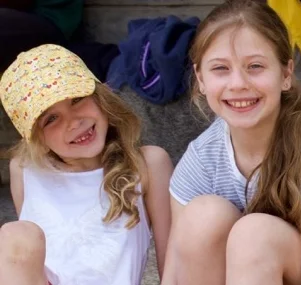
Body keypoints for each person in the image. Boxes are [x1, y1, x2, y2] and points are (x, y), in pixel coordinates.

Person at [160, 1, 301, 284]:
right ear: (200, 79)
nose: (238, 83)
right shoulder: (203, 157)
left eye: (255, 66)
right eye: (220, 69)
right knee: (202, 216)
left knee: (255, 235)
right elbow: (175, 275)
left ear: (286, 74)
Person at [0, 44, 173, 285]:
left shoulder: (147, 164)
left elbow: (172, 264)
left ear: (100, 98)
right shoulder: (24, 169)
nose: (73, 121)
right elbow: (26, 265)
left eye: (77, 100)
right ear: (37, 139)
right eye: (51, 119)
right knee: (16, 235)